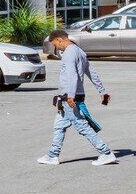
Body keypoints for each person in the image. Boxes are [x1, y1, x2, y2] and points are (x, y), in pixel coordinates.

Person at [36, 28, 115, 166]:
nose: (56, 47)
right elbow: (92, 72)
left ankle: (105, 153)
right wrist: (102, 91)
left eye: (55, 44)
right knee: (59, 126)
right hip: (70, 96)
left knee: (82, 126)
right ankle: (53, 155)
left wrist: (70, 96)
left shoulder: (69, 53)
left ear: (59, 39)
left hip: (70, 96)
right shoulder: (80, 51)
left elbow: (72, 75)